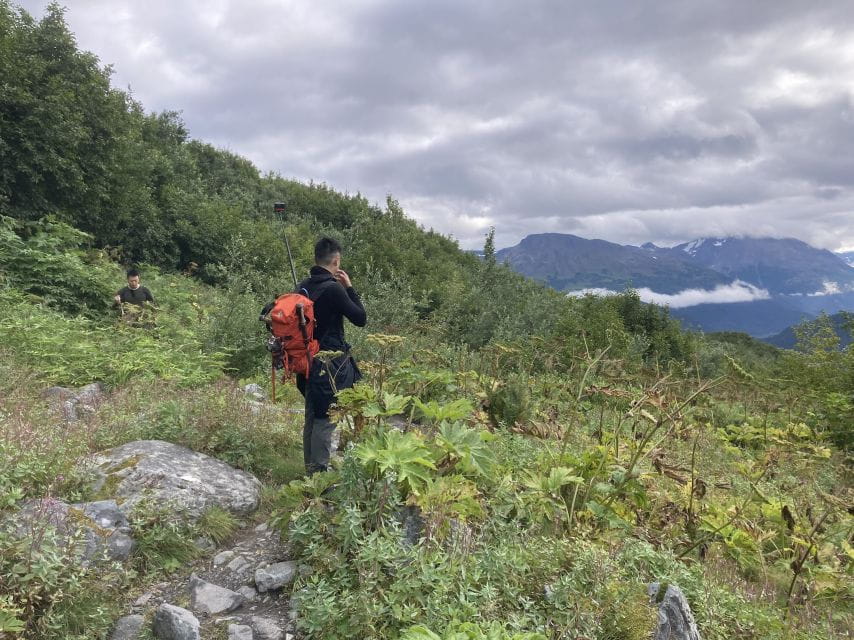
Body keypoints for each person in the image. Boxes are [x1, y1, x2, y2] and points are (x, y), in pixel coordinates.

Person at [297, 237, 367, 474]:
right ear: (336, 260)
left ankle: (310, 473)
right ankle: (318, 480)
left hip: (305, 363)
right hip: (329, 365)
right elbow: (360, 318)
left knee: (312, 417)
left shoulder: (302, 286)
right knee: (325, 421)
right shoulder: (334, 289)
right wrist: (349, 287)